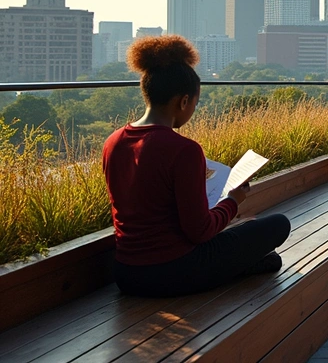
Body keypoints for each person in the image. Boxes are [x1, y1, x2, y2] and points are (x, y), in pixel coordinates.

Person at [102, 35, 290, 297]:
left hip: (127, 272)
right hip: (176, 270)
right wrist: (233, 200)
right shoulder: (183, 149)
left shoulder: (113, 142)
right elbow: (199, 232)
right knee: (278, 224)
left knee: (246, 230)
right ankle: (240, 267)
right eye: (194, 103)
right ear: (183, 101)